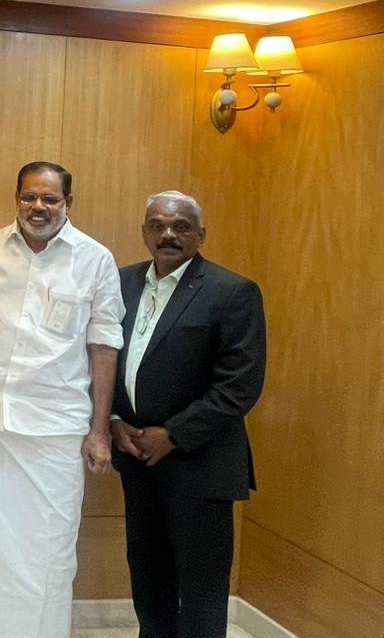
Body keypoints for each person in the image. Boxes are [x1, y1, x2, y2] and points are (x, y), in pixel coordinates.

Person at [0, 161, 124, 638]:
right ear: (17, 198)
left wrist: (99, 431)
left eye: (49, 199)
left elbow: (104, 346)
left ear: (68, 203)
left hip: (57, 429)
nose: (38, 207)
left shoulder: (95, 259)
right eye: (29, 197)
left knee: (48, 547)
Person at [111, 191, 266, 638]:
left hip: (201, 464)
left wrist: (173, 435)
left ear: (201, 234)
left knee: (202, 593)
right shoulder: (122, 283)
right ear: (144, 232)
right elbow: (105, 357)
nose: (168, 234)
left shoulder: (231, 291)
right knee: (148, 580)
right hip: (137, 459)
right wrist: (115, 422)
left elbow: (240, 385)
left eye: (180, 226)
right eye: (158, 225)